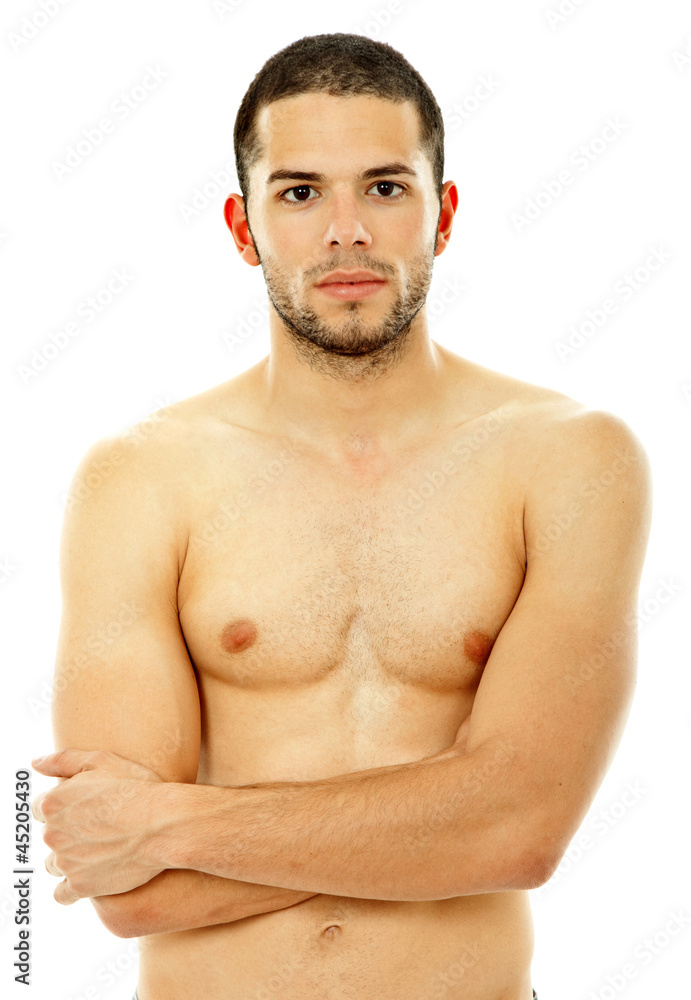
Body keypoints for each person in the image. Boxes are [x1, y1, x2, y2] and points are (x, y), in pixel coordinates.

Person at [31, 32, 651, 1000]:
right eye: (299, 192)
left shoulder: (568, 459)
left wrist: (170, 822)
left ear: (443, 214)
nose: (346, 231)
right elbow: (132, 886)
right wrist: (443, 819)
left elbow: (520, 831)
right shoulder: (140, 478)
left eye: (385, 187)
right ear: (243, 228)